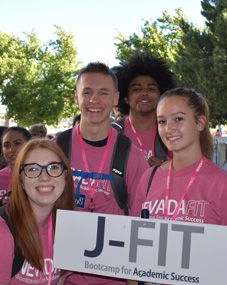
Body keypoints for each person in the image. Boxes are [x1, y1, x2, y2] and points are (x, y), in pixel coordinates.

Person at [133, 88, 227, 285]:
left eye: (178, 119)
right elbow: (133, 256)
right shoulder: (149, 178)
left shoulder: (224, 184)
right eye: (162, 121)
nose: (168, 128)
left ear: (200, 122)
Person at [57, 62, 149, 285]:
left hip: (115, 278)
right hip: (63, 277)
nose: (94, 101)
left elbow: (141, 226)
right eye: (87, 92)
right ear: (76, 97)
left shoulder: (132, 156)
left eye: (103, 93)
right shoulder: (56, 148)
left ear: (116, 98)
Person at [0, 139, 75, 284]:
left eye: (54, 167)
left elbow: (60, 279)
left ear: (65, 176)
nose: (44, 177)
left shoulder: (66, 226)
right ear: (21, 180)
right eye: (33, 169)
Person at [115, 53, 176, 166]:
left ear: (161, 96)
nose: (144, 93)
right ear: (125, 98)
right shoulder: (112, 132)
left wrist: (166, 170)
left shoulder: (174, 132)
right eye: (137, 89)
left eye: (151, 88)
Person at [0, 126, 32, 206]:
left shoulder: (42, 176)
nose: (11, 149)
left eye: (17, 144)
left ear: (29, 146)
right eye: (6, 145)